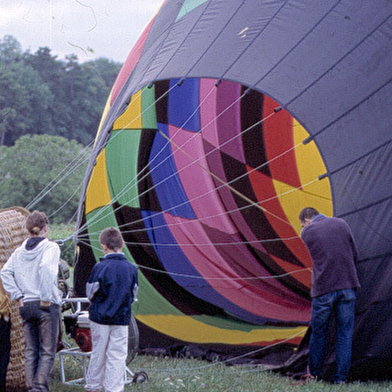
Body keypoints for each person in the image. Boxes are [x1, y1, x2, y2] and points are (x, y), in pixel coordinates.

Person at [0, 210, 61, 392]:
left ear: (27, 230)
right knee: (47, 349)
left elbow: (4, 272)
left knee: (30, 349)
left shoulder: (19, 251)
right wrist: (45, 297)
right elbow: (47, 269)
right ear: (46, 228)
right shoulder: (51, 248)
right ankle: (39, 386)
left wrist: (17, 295)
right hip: (46, 304)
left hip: (25, 304)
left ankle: (29, 385)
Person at [299, 207, 360, 384]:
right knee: (345, 334)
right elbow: (354, 254)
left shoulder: (307, 232)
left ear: (307, 221)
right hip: (348, 286)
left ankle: (315, 376)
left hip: (323, 289)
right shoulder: (342, 223)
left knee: (318, 333)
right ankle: (340, 379)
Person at [85, 227, 138, 392]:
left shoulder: (100, 267)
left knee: (98, 353)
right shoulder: (132, 268)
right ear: (122, 244)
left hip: (100, 317)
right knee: (117, 355)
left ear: (103, 246)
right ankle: (113, 388)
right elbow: (133, 293)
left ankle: (93, 386)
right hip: (121, 318)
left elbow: (90, 292)